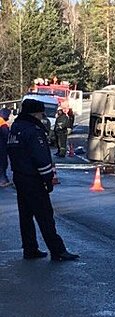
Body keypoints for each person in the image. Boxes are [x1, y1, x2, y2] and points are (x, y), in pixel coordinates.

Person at [7, 99, 79, 261]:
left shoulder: (16, 128)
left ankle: (30, 248)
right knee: (45, 215)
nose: (42, 117)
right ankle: (57, 250)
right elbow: (40, 158)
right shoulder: (33, 131)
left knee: (25, 216)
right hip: (34, 179)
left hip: (19, 176)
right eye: (40, 113)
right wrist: (48, 179)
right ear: (35, 113)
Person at [0, 108, 12, 187]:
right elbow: (6, 136)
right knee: (2, 163)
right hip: (1, 147)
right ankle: (3, 180)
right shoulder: (3, 124)